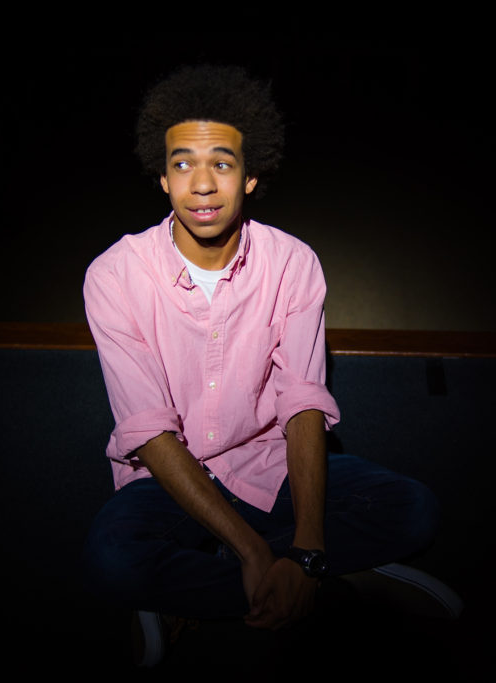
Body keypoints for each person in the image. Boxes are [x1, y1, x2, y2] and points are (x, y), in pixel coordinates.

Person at [81, 64, 461, 667]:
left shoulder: (293, 263)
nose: (201, 184)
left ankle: (212, 588)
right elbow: (149, 431)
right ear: (161, 176)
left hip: (265, 464)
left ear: (251, 175)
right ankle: (327, 585)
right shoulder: (113, 275)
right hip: (169, 482)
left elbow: (303, 401)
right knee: (111, 555)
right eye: (183, 164)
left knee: (414, 508)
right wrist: (262, 555)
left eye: (222, 164)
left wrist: (305, 549)